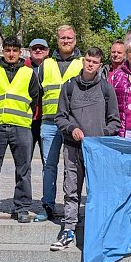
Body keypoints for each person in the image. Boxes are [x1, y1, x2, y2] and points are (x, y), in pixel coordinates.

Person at [53, 46, 121, 250]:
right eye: (88, 60)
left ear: (100, 65)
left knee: (97, 192)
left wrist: (102, 135)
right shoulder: (69, 86)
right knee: (71, 190)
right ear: (83, 61)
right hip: (73, 148)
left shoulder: (106, 88)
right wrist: (72, 128)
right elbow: (60, 117)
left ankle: (96, 231)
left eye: (95, 62)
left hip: (97, 151)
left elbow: (115, 121)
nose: (91, 64)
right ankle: (68, 229)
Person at [0, 36, 42, 223]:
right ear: (3, 51)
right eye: (8, 50)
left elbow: (34, 99)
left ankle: (21, 208)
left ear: (20, 52)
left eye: (15, 50)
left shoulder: (29, 73)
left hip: (21, 127)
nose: (11, 53)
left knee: (23, 170)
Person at [37, 25, 84, 222]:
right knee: (49, 165)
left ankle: (70, 207)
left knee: (73, 167)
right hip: (49, 124)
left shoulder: (83, 63)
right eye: (63, 38)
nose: (66, 41)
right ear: (57, 41)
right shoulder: (45, 65)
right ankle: (48, 204)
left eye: (70, 38)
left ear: (75, 41)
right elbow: (36, 93)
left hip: (74, 125)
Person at [27, 38, 50, 160]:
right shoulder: (22, 67)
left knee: (48, 161)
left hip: (47, 119)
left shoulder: (53, 67)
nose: (38, 50)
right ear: (29, 51)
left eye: (41, 48)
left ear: (47, 51)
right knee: (24, 160)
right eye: (34, 48)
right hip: (28, 120)